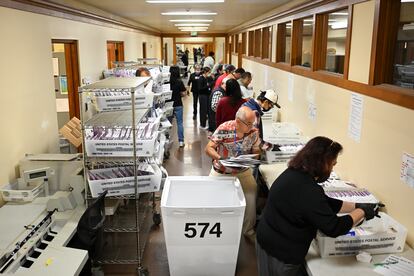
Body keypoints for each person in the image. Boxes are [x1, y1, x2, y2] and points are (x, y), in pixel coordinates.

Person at [256, 136, 384, 276]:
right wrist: (362, 211)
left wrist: (356, 205)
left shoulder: (294, 173)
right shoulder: (308, 190)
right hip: (283, 253)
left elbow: (324, 202)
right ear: (321, 163)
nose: (332, 168)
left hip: (266, 238)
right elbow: (334, 227)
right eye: (332, 164)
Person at [205, 106, 261, 239]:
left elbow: (257, 150)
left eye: (253, 123)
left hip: (242, 170)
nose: (251, 126)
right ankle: (216, 229)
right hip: (222, 170)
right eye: (248, 123)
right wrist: (220, 158)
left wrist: (254, 156)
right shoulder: (225, 128)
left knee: (251, 195)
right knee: (210, 198)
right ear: (237, 121)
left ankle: (248, 231)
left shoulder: (253, 132)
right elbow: (208, 148)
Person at [168, 66, 186, 148]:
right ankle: (181, 141)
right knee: (179, 123)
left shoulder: (166, 82)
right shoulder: (179, 82)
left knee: (168, 124)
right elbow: (183, 93)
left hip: (168, 105)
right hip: (178, 104)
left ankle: (167, 141)